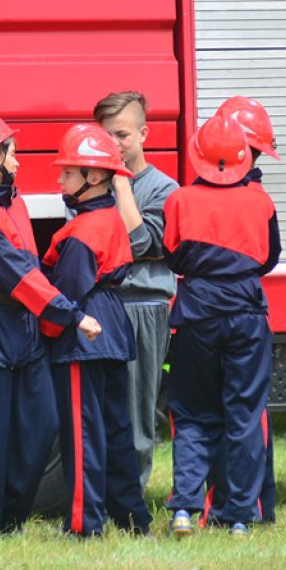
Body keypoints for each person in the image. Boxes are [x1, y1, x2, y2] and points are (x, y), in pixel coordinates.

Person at [0, 109, 102, 537]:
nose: (17, 158)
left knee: (40, 428)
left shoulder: (14, 200)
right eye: (10, 150)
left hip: (24, 331)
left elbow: (32, 264)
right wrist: (70, 314)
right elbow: (19, 275)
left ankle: (10, 518)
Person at [163, 111, 281, 538]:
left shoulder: (178, 200)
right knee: (244, 416)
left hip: (196, 316)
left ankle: (184, 509)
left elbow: (173, 257)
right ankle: (239, 517)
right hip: (247, 315)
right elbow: (270, 258)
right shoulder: (261, 200)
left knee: (193, 414)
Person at [41, 123, 152, 538]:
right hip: (112, 326)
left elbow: (64, 294)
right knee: (116, 430)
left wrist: (47, 329)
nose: (60, 179)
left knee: (82, 433)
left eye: (68, 172)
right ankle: (133, 519)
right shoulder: (109, 218)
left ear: (93, 176)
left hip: (83, 334)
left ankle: (84, 524)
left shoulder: (81, 232)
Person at [93, 91, 178, 490]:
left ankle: (133, 500)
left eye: (122, 135)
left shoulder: (163, 189)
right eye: (106, 136)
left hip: (143, 306)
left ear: (144, 133)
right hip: (101, 306)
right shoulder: (90, 185)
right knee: (101, 409)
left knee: (137, 411)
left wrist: (122, 187)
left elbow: (143, 243)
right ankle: (103, 497)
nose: (113, 144)